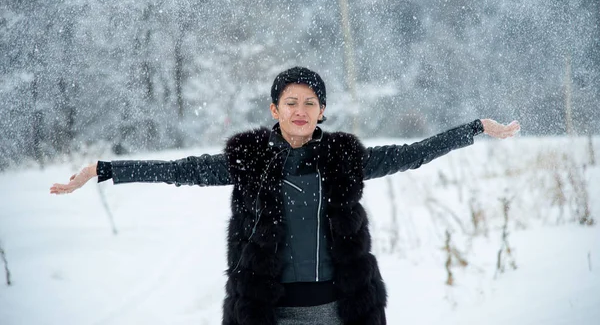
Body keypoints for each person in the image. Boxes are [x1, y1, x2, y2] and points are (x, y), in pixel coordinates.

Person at [50, 66, 520, 325]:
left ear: (322, 111)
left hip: (342, 308)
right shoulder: (249, 159)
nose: (300, 110)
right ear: (275, 109)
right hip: (267, 311)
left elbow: (411, 154)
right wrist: (104, 169)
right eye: (290, 102)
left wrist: (473, 129)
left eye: (310, 102)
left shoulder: (344, 158)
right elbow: (181, 170)